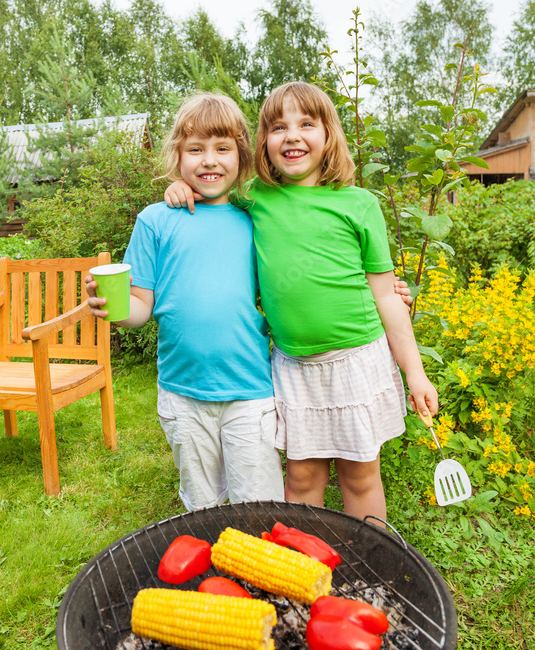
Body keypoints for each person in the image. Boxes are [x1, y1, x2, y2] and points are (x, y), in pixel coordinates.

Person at [164, 82, 437, 523]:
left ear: (328, 135)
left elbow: (386, 297)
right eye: (277, 127)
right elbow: (210, 182)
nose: (291, 136)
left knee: (360, 477)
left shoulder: (358, 205)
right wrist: (181, 185)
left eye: (305, 124)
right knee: (302, 479)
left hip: (356, 362)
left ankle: (369, 562)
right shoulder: (255, 197)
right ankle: (304, 568)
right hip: (294, 368)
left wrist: (417, 374)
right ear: (264, 144)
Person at [86, 93, 285, 511]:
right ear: (177, 157)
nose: (209, 161)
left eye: (222, 149)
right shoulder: (155, 220)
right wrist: (115, 311)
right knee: (202, 505)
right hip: (183, 392)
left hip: (249, 389)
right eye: (196, 150)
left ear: (243, 156)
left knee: (260, 504)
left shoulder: (256, 216)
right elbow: (141, 306)